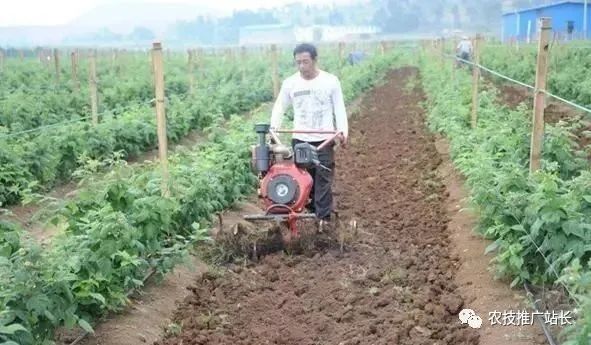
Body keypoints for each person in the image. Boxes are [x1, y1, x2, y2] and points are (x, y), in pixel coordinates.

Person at [270, 43, 348, 227]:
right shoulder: (291, 83)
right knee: (302, 179)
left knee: (323, 180)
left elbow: (339, 108)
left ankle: (323, 222)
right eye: (298, 63)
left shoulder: (330, 81)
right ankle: (307, 213)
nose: (302, 67)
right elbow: (280, 106)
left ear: (314, 60)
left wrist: (343, 132)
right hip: (300, 139)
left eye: (305, 62)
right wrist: (274, 127)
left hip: (324, 139)